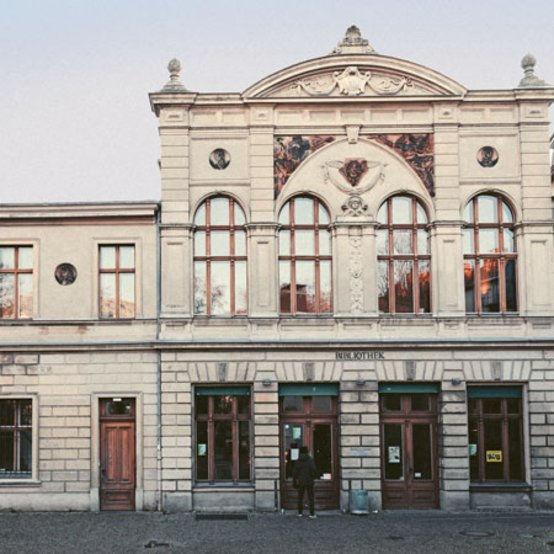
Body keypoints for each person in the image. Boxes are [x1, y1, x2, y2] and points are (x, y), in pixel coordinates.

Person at [292, 446, 318, 518]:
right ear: (307, 451)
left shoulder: (297, 461)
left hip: (300, 481)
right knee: (310, 497)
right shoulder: (310, 460)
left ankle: (300, 512)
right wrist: (313, 477)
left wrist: (294, 481)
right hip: (309, 481)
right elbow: (314, 470)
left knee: (300, 497)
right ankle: (312, 513)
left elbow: (294, 473)